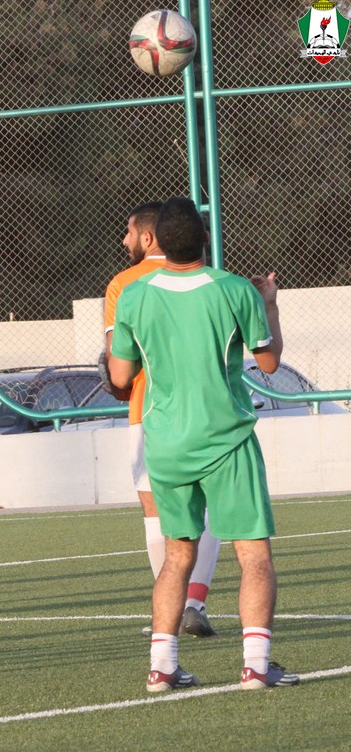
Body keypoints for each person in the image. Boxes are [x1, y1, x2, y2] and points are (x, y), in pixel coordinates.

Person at [108, 196, 298, 692]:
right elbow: (269, 362)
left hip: (166, 442)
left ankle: (162, 666)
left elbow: (120, 375)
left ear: (157, 241)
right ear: (205, 239)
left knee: (177, 556)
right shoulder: (235, 289)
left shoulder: (134, 295)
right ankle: (255, 665)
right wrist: (270, 304)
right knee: (253, 555)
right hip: (226, 439)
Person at [103, 202, 220, 638]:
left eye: (129, 232)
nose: (124, 240)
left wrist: (117, 380)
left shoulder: (124, 284)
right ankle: (195, 603)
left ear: (149, 237)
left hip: (150, 409)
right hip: (211, 410)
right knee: (208, 506)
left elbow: (119, 366)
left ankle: (171, 607)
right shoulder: (212, 279)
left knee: (156, 510)